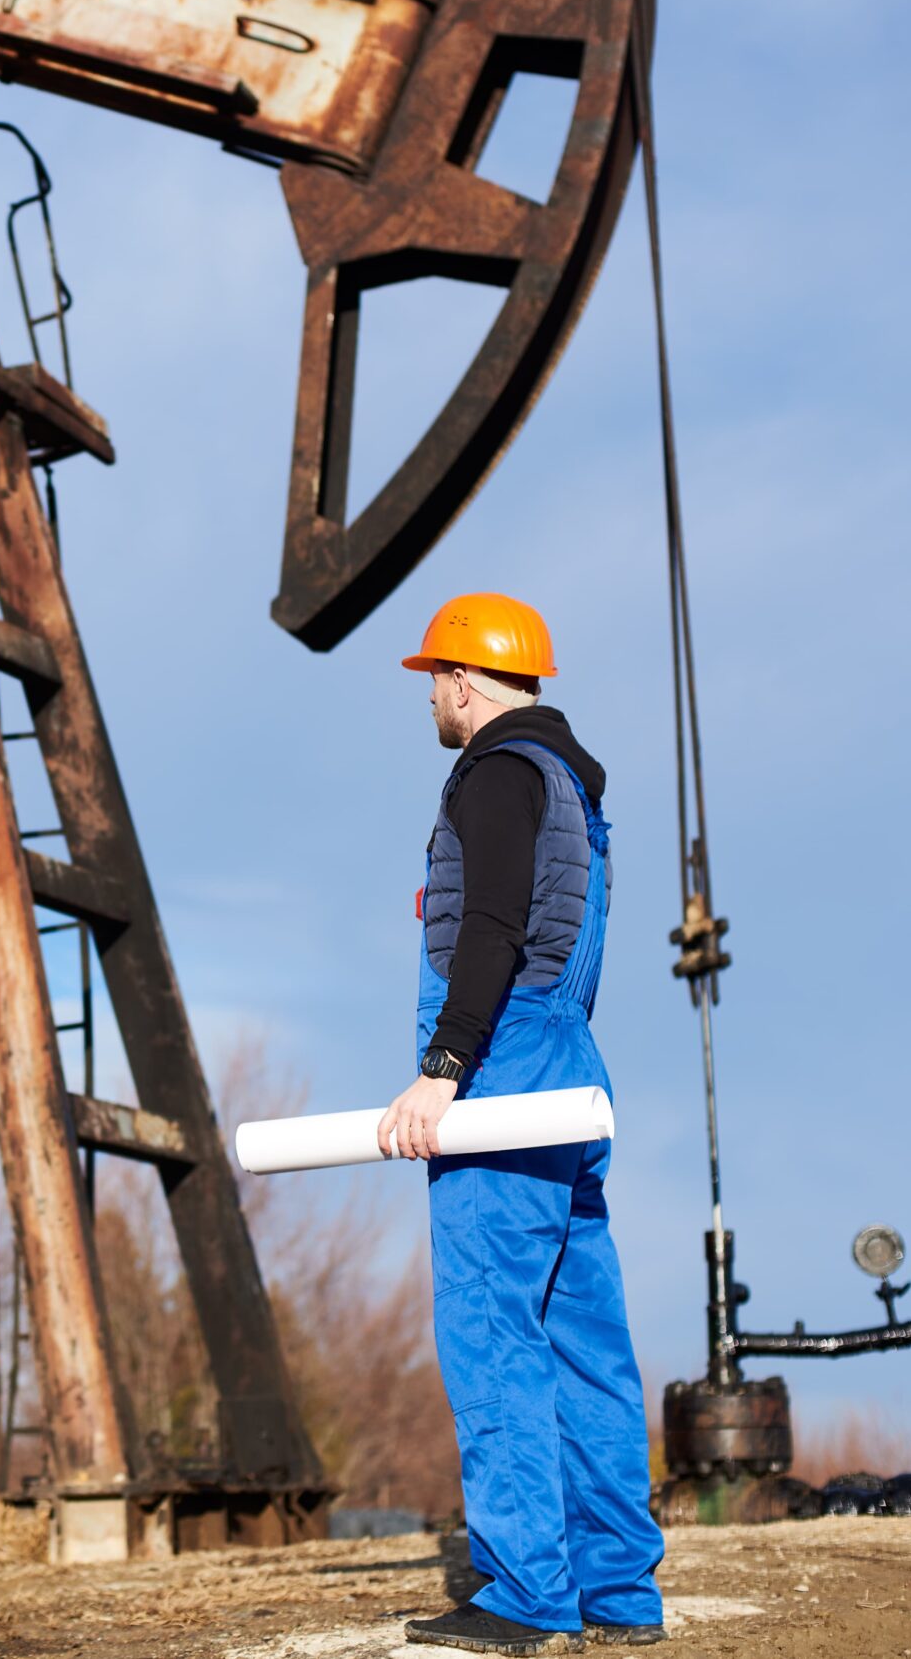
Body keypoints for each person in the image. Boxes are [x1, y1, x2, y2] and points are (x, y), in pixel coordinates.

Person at [375, 594, 667, 1655]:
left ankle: (525, 1593)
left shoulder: (495, 773)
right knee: (585, 1340)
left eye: (434, 682)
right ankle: (618, 1589)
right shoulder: (572, 785)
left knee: (493, 1329)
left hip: (502, 1065)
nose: (431, 700)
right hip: (568, 1067)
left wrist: (442, 1069)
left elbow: (491, 926)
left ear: (463, 679)